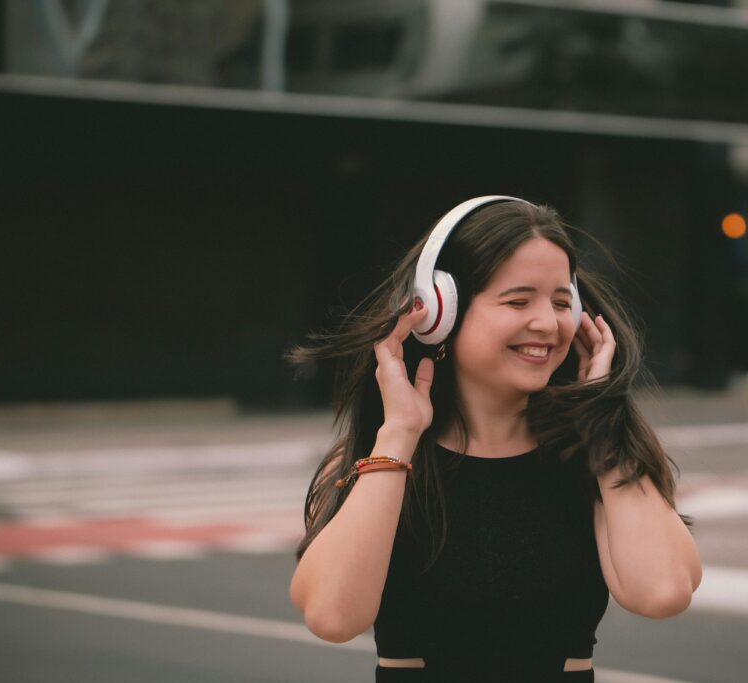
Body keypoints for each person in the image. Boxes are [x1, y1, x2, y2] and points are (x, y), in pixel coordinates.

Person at [288, 196, 702, 682]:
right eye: (518, 300)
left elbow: (662, 592)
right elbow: (333, 617)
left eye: (562, 302)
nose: (548, 323)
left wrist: (599, 425)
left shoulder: (594, 454)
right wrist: (399, 434)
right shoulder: (382, 458)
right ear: (442, 309)